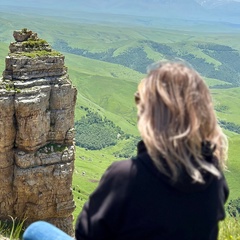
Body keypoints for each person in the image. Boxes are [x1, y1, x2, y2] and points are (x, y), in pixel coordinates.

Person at [23, 61, 229, 240]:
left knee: (36, 230)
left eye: (140, 101)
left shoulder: (126, 177)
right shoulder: (215, 178)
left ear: (150, 115)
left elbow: (87, 234)